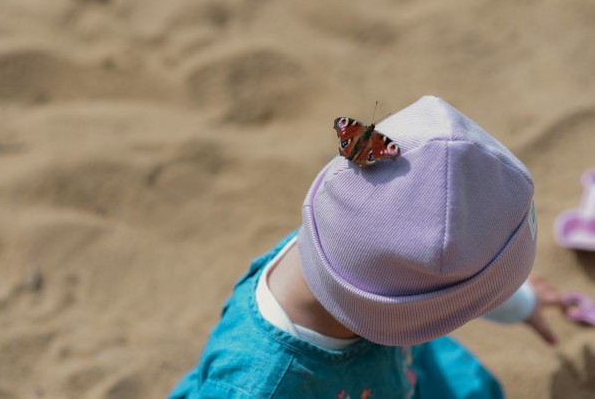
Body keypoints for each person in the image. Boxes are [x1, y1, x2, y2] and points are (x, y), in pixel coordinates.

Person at [169, 96, 562, 399]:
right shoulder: (259, 383)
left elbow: (444, 280)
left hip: (400, 369)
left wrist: (520, 302)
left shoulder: (346, 237)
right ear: (401, 314)